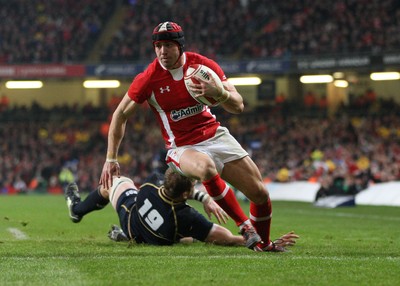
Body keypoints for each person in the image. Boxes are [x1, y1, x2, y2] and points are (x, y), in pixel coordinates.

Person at [99, 21, 292, 251]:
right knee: (206, 167)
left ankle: (264, 244)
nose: (162, 51)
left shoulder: (202, 66)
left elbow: (238, 105)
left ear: (180, 46)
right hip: (182, 148)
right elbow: (120, 115)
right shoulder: (149, 78)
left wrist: (219, 93)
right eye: (158, 46)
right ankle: (244, 225)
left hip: (215, 136)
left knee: (260, 194)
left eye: (168, 45)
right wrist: (111, 158)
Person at [65, 167, 298, 248]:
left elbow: (176, 186)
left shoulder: (150, 184)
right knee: (189, 237)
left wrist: (202, 196)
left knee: (113, 182)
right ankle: (125, 236)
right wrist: (263, 240)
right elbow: (226, 237)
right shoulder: (186, 217)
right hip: (155, 235)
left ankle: (77, 210)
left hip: (132, 218)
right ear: (186, 193)